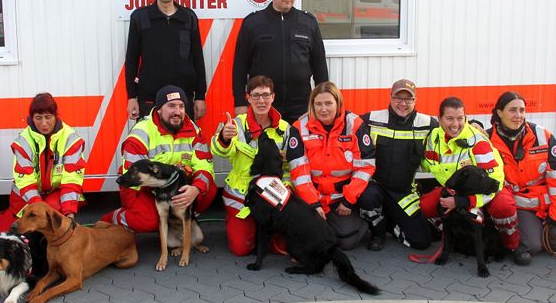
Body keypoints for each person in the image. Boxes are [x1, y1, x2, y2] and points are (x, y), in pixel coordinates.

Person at [420, 97, 525, 264]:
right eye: (449, 118)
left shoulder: (477, 141)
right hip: (456, 191)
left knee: (503, 207)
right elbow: (427, 165)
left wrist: (464, 201)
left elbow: (494, 182)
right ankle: (456, 238)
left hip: (488, 190)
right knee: (426, 205)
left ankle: (512, 246)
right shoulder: (434, 137)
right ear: (439, 119)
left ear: (466, 118)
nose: (456, 124)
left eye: (460, 118)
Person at [103, 85, 217, 232]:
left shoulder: (193, 130)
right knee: (148, 222)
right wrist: (165, 196)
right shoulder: (141, 132)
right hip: (139, 187)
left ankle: (176, 222)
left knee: (208, 188)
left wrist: (195, 189)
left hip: (168, 185)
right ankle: (115, 218)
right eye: (171, 106)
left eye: (181, 106)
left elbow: (204, 164)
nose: (177, 112)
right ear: (159, 110)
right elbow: (134, 177)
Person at [287, 81, 376, 250]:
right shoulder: (300, 127)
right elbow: (299, 172)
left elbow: (365, 167)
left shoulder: (354, 125)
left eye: (328, 103)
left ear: (338, 103)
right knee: (306, 237)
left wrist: (348, 201)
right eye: (318, 104)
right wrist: (313, 203)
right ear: (312, 105)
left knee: (345, 241)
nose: (323, 109)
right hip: (312, 197)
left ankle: (361, 224)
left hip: (340, 199)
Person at [487, 91, 556, 263]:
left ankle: (542, 228)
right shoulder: (487, 139)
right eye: (512, 110)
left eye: (522, 110)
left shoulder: (543, 136)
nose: (518, 115)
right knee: (533, 247)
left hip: (548, 203)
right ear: (499, 112)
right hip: (519, 204)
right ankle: (514, 238)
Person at [232, 0, 328, 123]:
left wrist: (323, 101)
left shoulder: (308, 23)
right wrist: (239, 102)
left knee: (299, 146)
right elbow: (240, 67)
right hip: (263, 106)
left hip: (301, 106)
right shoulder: (253, 23)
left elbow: (320, 66)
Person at [212, 75, 291, 256]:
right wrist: (224, 137)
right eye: (255, 95)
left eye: (265, 95)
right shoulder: (235, 125)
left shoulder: (285, 128)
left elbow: (290, 168)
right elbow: (220, 152)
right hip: (241, 195)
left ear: (273, 97)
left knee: (282, 247)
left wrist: (286, 189)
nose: (261, 101)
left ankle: (263, 230)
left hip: (272, 193)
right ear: (247, 98)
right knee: (241, 249)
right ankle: (239, 224)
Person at [0, 93, 87, 236]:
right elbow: (25, 181)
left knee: (53, 220)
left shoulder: (71, 139)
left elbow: (72, 180)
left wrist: (69, 213)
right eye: (38, 118)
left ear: (56, 116)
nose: (44, 123)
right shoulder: (23, 141)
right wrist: (36, 208)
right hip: (26, 196)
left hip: (56, 194)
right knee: (1, 234)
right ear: (31, 118)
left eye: (48, 117)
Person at [359, 79, 436, 251]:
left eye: (408, 99)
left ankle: (389, 225)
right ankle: (377, 232)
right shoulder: (372, 119)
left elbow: (452, 127)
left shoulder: (426, 123)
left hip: (404, 191)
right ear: (390, 97)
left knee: (422, 241)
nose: (403, 103)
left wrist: (476, 125)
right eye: (398, 98)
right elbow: (345, 123)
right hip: (375, 187)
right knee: (367, 195)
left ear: (415, 100)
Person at [125, 0, 207, 121]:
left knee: (183, 143)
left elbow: (198, 59)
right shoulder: (140, 17)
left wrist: (200, 96)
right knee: (149, 144)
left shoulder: (188, 17)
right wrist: (131, 97)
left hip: (182, 99)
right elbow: (131, 60)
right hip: (149, 99)